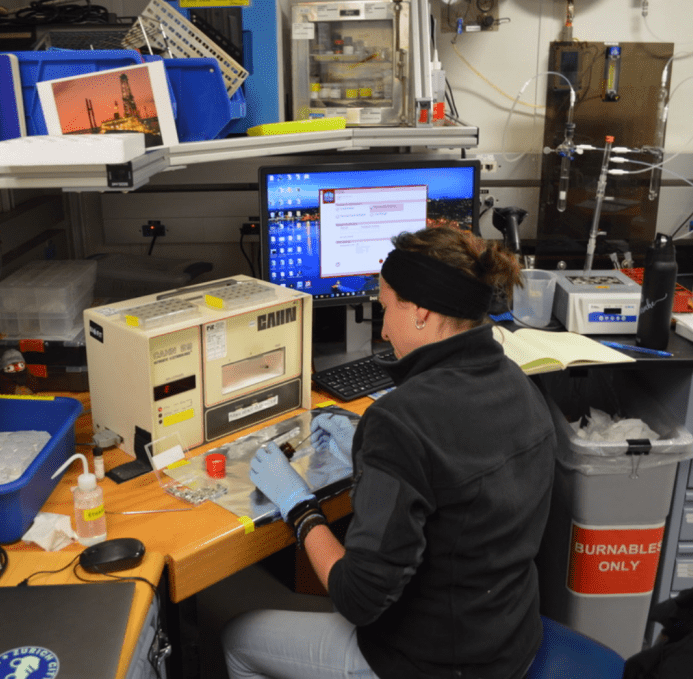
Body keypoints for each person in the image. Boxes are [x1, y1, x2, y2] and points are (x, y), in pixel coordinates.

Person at [222, 226, 558, 679]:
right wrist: (370, 448)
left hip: (433, 665)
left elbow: (357, 599)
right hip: (510, 641)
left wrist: (298, 505)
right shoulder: (520, 384)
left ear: (419, 311)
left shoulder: (400, 421)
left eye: (385, 307)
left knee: (238, 638)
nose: (381, 329)